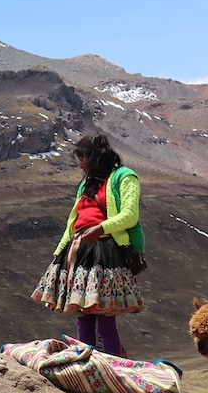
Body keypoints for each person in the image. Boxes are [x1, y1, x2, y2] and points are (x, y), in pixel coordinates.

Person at [30, 133, 144, 356]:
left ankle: (110, 367)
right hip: (81, 252)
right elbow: (73, 224)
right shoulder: (86, 185)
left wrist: (100, 229)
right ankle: (86, 366)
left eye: (83, 158)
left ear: (94, 158)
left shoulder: (124, 177)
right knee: (84, 317)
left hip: (107, 253)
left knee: (105, 320)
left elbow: (130, 215)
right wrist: (59, 253)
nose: (81, 165)